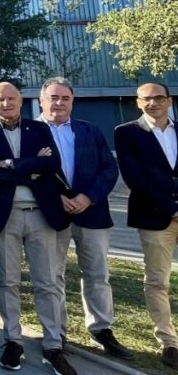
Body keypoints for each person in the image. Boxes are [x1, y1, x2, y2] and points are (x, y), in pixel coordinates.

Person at [0, 82, 72, 375]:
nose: (6, 103)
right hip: (7, 215)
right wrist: (32, 168)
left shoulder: (39, 129)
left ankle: (53, 345)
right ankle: (12, 341)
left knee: (48, 282)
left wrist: (13, 165)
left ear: (21, 101)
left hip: (42, 213)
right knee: (8, 282)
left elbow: (52, 163)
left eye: (11, 98)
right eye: (0, 99)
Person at [37, 77, 132, 361]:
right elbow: (27, 174)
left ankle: (101, 328)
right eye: (53, 97)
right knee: (52, 275)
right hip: (51, 214)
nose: (59, 103)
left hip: (92, 212)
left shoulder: (89, 130)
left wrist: (88, 197)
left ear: (72, 101)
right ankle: (57, 331)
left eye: (65, 98)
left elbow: (108, 168)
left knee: (97, 274)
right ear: (42, 100)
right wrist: (54, 198)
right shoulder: (31, 133)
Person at [114, 82, 178, 369]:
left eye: (159, 98)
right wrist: (173, 209)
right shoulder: (126, 133)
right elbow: (135, 178)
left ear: (169, 100)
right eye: (146, 99)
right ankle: (169, 342)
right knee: (158, 282)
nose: (153, 103)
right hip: (155, 218)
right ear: (138, 103)